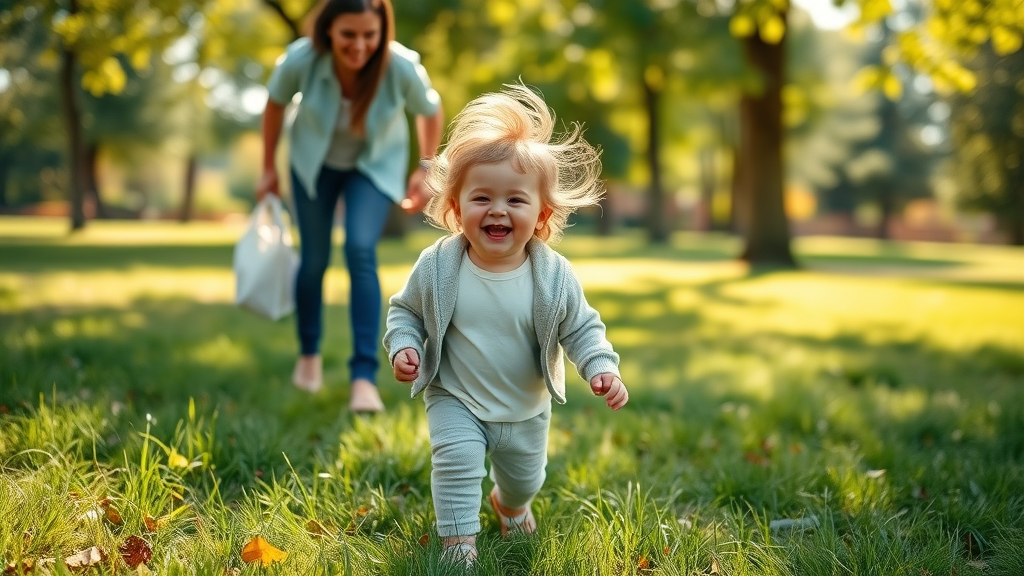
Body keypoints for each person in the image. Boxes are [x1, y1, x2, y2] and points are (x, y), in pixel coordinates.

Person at [383, 83, 629, 565]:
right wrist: (404, 345)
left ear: (542, 215)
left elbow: (581, 327)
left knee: (524, 480)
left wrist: (601, 366)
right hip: (456, 395)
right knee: (454, 462)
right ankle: (458, 544)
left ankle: (509, 504)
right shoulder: (437, 265)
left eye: (515, 200)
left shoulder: (552, 274)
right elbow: (405, 310)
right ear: (457, 208)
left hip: (525, 408)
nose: (497, 210)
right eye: (482, 198)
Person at [256, 0, 444, 413]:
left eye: (369, 35)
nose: (359, 45)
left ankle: (363, 378)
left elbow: (430, 110)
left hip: (372, 168)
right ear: (328, 32)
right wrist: (268, 168)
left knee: (360, 250)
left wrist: (427, 166)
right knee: (314, 260)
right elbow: (274, 104)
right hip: (313, 165)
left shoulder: (400, 66)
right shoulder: (301, 59)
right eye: (348, 35)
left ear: (382, 33)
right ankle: (309, 356)